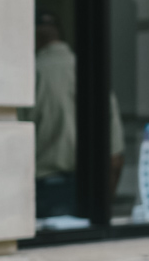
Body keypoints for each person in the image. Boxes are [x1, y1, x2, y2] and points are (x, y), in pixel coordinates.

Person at [32, 12, 124, 219]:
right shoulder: (92, 72)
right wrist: (106, 202)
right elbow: (115, 158)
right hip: (91, 188)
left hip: (45, 188)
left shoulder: (31, 73)